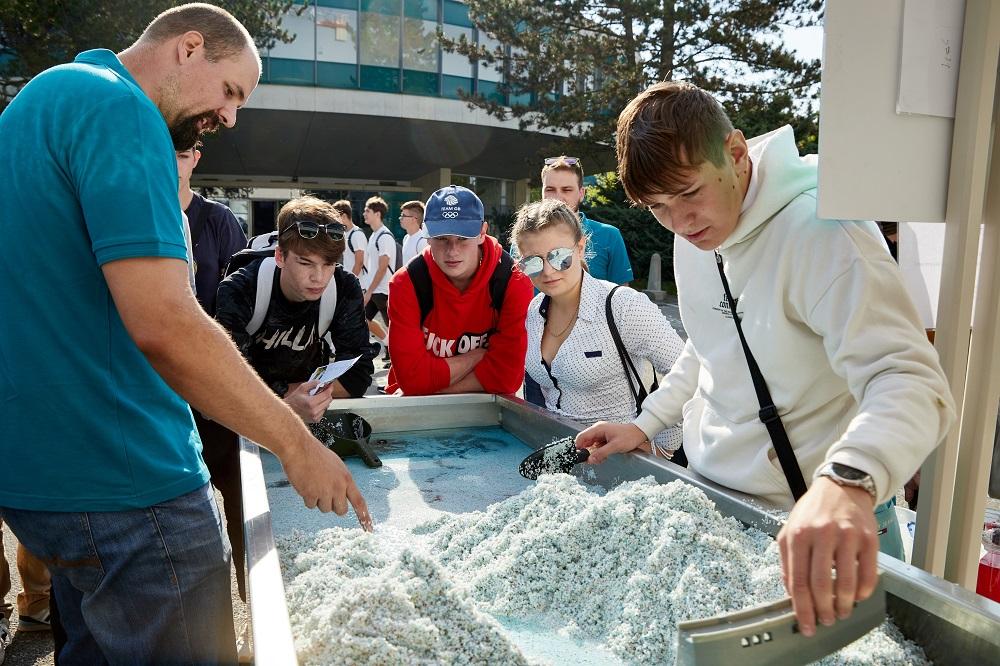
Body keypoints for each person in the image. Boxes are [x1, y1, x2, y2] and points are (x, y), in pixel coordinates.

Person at [0, 5, 370, 663]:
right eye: (231, 92)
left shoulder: (35, 103)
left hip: (39, 485)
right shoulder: (123, 112)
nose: (229, 118)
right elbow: (166, 324)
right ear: (189, 47)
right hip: (131, 488)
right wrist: (296, 444)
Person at [576, 81, 955, 638]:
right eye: (658, 208)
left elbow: (911, 378)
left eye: (687, 193)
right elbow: (708, 345)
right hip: (713, 510)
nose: (679, 222)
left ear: (734, 152)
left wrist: (848, 482)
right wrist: (645, 422)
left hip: (823, 524)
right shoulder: (696, 234)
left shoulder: (826, 230)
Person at [511, 199, 684, 453]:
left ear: (580, 248)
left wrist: (661, 447)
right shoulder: (535, 311)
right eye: (534, 262)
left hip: (624, 465)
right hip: (562, 464)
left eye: (559, 257)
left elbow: (687, 374)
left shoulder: (622, 305)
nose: (547, 271)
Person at [386, 186, 533, 395]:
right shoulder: (406, 282)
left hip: (485, 412)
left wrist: (431, 389)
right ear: (427, 235)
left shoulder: (513, 280)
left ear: (482, 233)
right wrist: (477, 356)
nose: (452, 251)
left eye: (463, 238)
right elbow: (412, 379)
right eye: (442, 238)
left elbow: (507, 379)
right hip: (416, 412)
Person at [519, 155, 635, 406]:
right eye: (550, 189)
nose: (558, 197)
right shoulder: (524, 241)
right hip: (540, 360)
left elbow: (623, 302)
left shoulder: (608, 236)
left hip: (596, 367)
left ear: (581, 193)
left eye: (567, 190)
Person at [177, 142, 248, 315]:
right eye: (165, 155)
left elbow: (244, 290)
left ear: (195, 158)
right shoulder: (139, 216)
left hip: (207, 335)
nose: (174, 165)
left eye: (183, 156)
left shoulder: (219, 217)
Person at [360, 196, 395, 359]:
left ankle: (396, 360)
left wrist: (369, 291)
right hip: (374, 290)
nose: (364, 213)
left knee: (394, 327)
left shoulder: (385, 236)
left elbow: (382, 267)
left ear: (377, 213)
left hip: (384, 291)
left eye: (367, 210)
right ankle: (388, 345)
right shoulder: (374, 235)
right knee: (363, 319)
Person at [337, 199, 367, 279]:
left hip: (359, 285)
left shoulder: (357, 234)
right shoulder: (346, 234)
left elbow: (359, 262)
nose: (335, 221)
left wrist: (350, 282)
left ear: (344, 216)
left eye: (336, 217)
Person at [400, 199, 429, 264]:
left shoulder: (422, 241)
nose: (400, 218)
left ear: (413, 219)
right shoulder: (406, 238)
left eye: (403, 215)